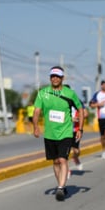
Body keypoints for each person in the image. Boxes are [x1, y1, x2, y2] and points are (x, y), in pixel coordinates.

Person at [32, 66, 84, 201]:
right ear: (50, 78)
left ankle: (60, 188)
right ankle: (60, 185)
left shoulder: (69, 93)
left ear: (62, 78)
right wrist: (35, 126)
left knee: (62, 159)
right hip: (49, 134)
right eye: (52, 76)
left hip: (66, 132)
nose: (55, 78)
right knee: (55, 162)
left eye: (58, 76)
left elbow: (81, 109)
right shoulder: (43, 93)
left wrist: (80, 129)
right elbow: (36, 111)